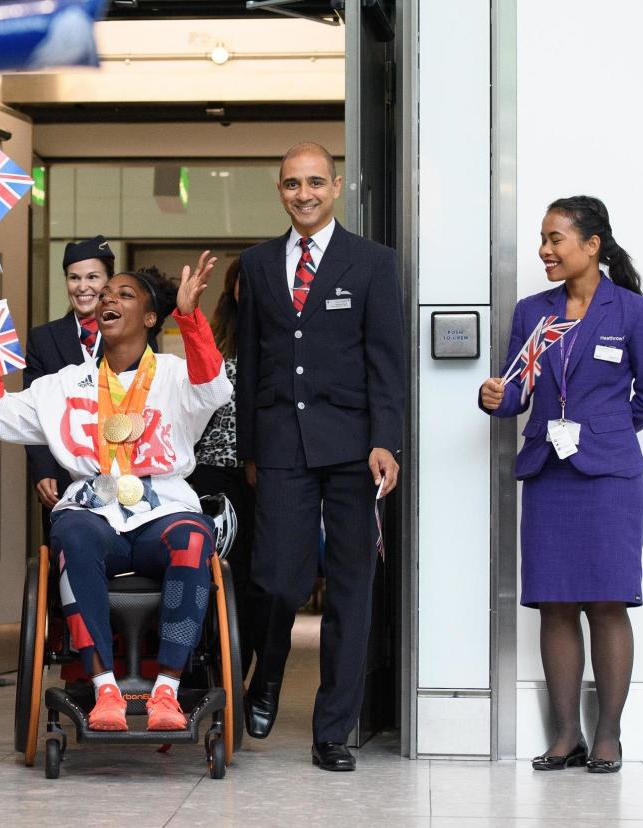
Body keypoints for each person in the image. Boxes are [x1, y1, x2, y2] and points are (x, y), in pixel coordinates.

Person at [0, 255, 231, 731]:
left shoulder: (174, 373)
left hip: (163, 510)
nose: (108, 298)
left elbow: (213, 388)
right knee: (70, 534)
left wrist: (191, 318)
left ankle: (167, 692)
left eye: (124, 295)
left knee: (195, 537)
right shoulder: (65, 384)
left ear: (150, 319)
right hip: (94, 508)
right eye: (107, 294)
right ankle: (104, 687)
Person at [479, 196, 643, 774]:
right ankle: (566, 737)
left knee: (608, 604)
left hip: (609, 478)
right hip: (548, 475)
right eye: (543, 238)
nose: (545, 249)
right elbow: (518, 389)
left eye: (556, 239)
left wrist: (602, 433)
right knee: (556, 605)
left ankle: (607, 736)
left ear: (593, 245)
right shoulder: (535, 313)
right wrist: (496, 397)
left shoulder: (634, 312)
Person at [237, 141, 406, 771]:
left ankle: (333, 729)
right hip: (281, 444)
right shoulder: (255, 265)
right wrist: (251, 448)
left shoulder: (372, 262)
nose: (303, 193)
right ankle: (269, 676)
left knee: (351, 590)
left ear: (336, 186)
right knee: (276, 581)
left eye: (314, 182)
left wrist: (387, 440)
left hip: (355, 450)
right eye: (290, 184)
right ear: (279, 190)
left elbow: (386, 361)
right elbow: (251, 361)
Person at [186, 257, 260, 678]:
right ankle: (199, 674)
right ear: (231, 289)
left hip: (265, 474)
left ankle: (238, 676)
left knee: (252, 582)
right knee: (209, 573)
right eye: (241, 283)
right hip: (211, 471)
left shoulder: (283, 338)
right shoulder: (214, 340)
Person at [23, 236, 114, 535]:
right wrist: (43, 469)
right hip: (63, 477)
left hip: (122, 477)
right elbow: (34, 411)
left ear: (109, 282)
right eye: (74, 278)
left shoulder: (132, 335)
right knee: (62, 561)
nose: (82, 286)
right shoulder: (43, 339)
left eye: (92, 277)